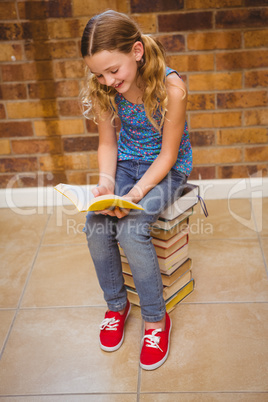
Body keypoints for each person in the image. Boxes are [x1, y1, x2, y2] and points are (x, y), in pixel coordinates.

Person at [81, 10, 192, 371]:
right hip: (127, 166)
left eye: (114, 70)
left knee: (132, 229)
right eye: (99, 74)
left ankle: (156, 320)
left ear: (137, 51)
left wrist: (136, 194)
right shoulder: (104, 88)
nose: (108, 80)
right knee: (95, 224)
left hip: (166, 170)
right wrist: (107, 184)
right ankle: (117, 306)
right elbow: (108, 144)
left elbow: (169, 154)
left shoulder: (172, 88)